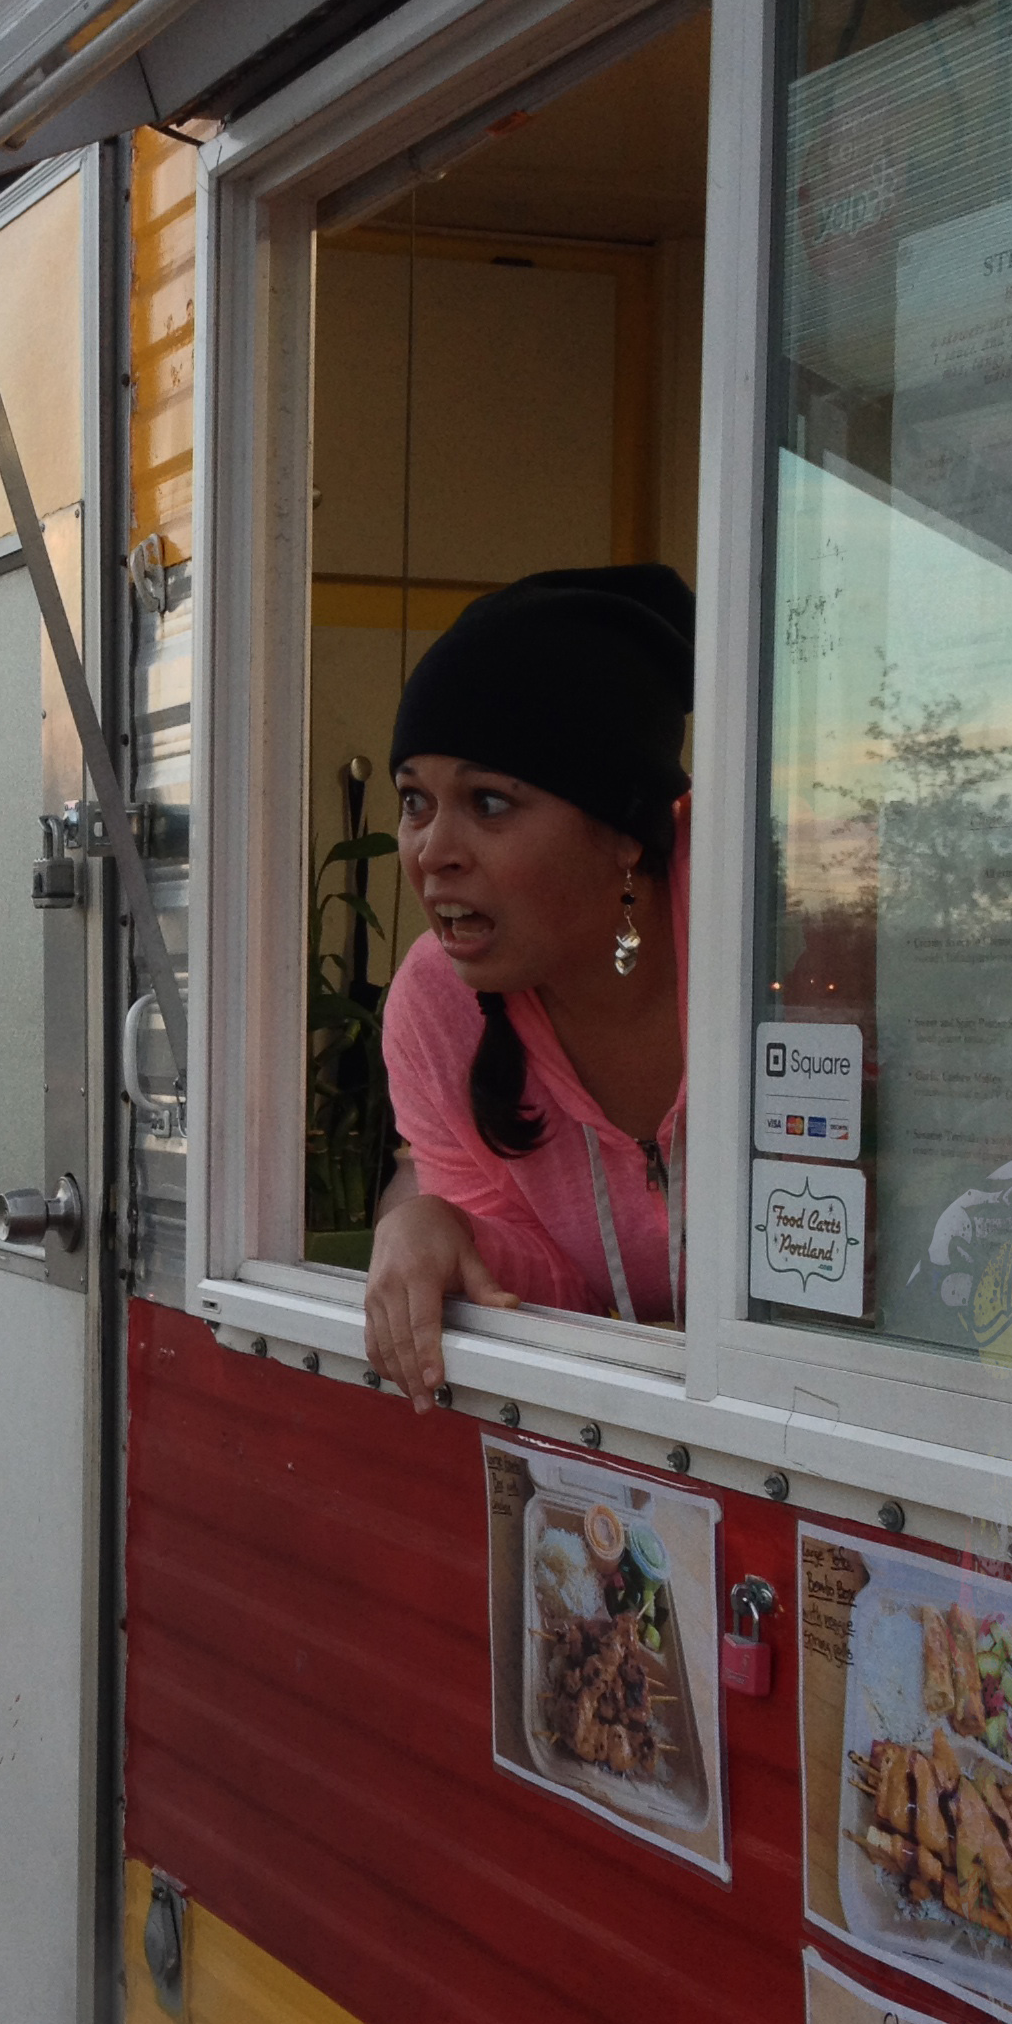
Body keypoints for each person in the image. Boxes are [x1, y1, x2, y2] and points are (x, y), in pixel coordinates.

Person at [363, 566, 695, 1407]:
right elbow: (561, 1297)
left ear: (624, 833)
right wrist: (437, 1227)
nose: (433, 850)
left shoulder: (772, 933)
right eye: (414, 802)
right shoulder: (435, 1010)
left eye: (488, 801)